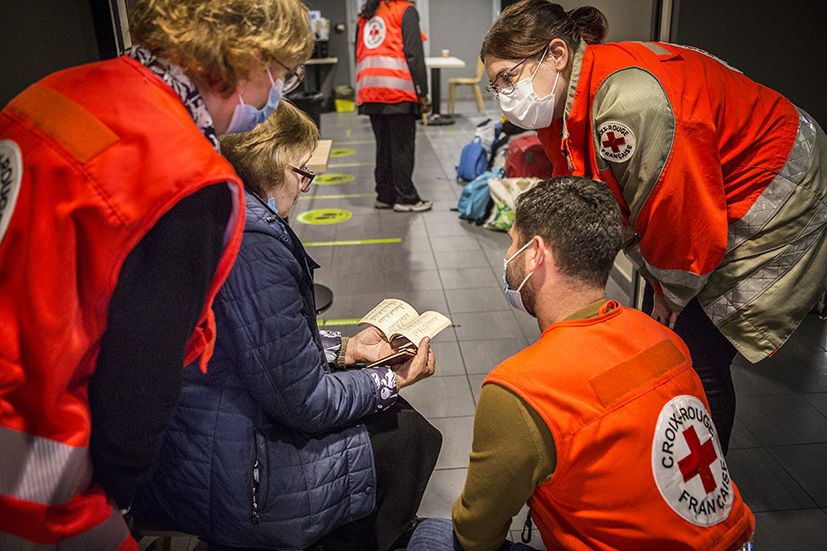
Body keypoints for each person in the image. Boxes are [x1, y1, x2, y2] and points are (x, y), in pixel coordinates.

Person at [0, 0, 314, 548]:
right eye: (281, 75)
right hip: (37, 458)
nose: (276, 96)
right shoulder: (185, 179)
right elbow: (139, 383)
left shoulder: (53, 93)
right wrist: (121, 495)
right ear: (244, 60)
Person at [480, 0, 827, 455]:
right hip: (715, 191)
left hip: (779, 188)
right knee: (670, 326)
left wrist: (672, 292)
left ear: (557, 54)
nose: (505, 94)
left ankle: (702, 485)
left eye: (509, 77)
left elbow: (681, 215)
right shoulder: (568, 100)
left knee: (698, 353)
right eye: (495, 84)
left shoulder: (629, 102)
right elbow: (600, 192)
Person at [132, 100, 443, 551]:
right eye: (303, 173)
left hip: (201, 436)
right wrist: (388, 379)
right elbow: (307, 403)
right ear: (268, 164)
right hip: (233, 475)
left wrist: (346, 350)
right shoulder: (254, 245)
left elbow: (259, 342)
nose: (306, 187)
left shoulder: (222, 210)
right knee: (405, 434)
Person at [406, 176, 755, 551]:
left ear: (535, 253)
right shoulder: (665, 339)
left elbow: (476, 535)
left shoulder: (522, 388)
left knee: (432, 538)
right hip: (733, 540)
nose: (507, 257)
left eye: (512, 243)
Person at [356, 0, 433, 212]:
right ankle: (406, 198)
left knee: (384, 146)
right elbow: (413, 54)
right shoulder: (404, 10)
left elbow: (359, 51)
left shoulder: (366, 14)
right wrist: (422, 93)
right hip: (397, 89)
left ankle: (385, 195)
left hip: (370, 89)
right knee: (402, 146)